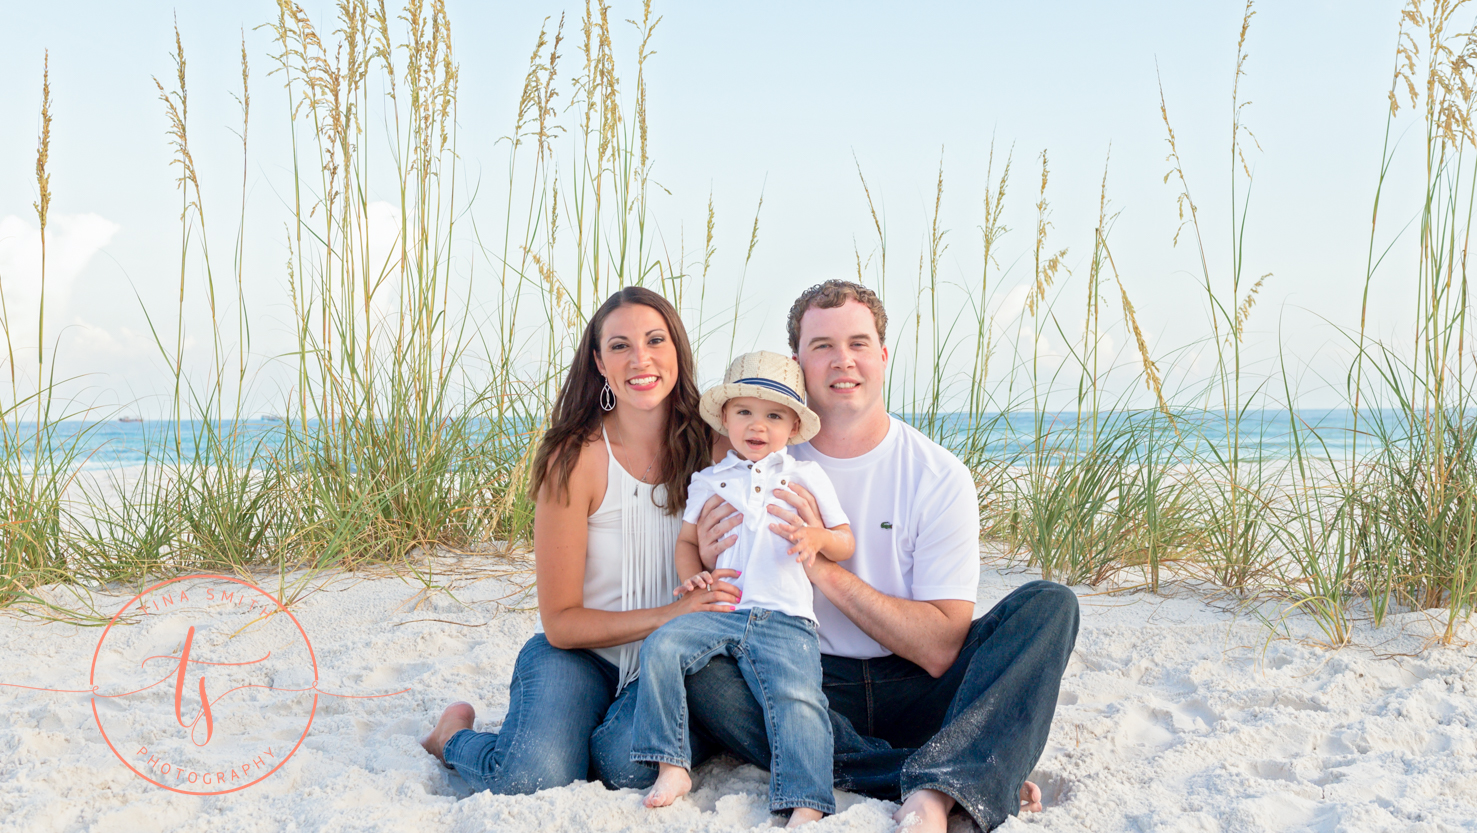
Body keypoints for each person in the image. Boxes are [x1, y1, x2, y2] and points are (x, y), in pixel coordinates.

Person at [684, 280, 1080, 832]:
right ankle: (948, 775)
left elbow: (942, 647)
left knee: (1051, 605)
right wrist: (705, 558)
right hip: (804, 681)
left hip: (922, 689)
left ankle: (943, 770)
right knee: (702, 672)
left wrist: (820, 564)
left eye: (858, 343)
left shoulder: (937, 474)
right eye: (821, 345)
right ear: (798, 362)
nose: (842, 361)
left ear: (883, 355)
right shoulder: (753, 463)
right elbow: (724, 605)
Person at [419, 286, 743, 793]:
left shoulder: (715, 445)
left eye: (655, 340)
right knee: (535, 778)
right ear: (599, 362)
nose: (641, 359)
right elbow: (562, 623)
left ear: (677, 350)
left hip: (668, 660)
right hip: (579, 654)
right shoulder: (574, 458)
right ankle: (452, 737)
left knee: (626, 766)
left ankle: (588, 736)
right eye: (619, 346)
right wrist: (671, 614)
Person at [631, 352, 854, 827]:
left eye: (774, 415)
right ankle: (673, 765)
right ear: (726, 420)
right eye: (745, 412)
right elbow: (688, 541)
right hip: (725, 607)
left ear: (793, 426)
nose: (758, 425)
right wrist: (693, 575)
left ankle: (807, 800)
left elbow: (844, 539)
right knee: (662, 645)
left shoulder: (806, 476)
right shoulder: (708, 480)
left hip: (786, 616)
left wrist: (816, 539)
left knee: (798, 698)